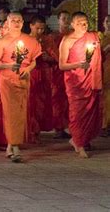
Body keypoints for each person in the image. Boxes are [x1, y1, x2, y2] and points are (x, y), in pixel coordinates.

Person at [0, 12, 41, 163]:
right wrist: (9, 65)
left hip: (23, 79)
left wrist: (28, 69)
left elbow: (33, 61)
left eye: (19, 20)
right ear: (8, 22)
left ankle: (10, 145)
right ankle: (15, 146)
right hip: (7, 79)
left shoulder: (29, 40)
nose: (17, 23)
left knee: (21, 112)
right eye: (13, 20)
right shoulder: (2, 42)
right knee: (10, 112)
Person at [59, 12, 102, 158]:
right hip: (76, 82)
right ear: (72, 24)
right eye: (79, 23)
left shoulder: (92, 37)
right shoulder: (67, 40)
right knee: (77, 113)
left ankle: (79, 141)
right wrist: (79, 64)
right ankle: (79, 142)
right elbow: (62, 65)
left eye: (85, 23)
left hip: (90, 80)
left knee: (90, 112)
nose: (83, 26)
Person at [28, 15, 55, 143]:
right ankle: (30, 131)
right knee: (30, 104)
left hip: (44, 74)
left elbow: (56, 58)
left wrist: (47, 58)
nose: (40, 31)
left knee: (41, 104)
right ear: (31, 26)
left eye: (42, 29)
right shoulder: (25, 40)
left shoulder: (48, 40)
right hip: (30, 73)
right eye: (37, 28)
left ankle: (37, 131)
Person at [51, 11, 71, 139]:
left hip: (71, 70)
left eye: (68, 19)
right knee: (57, 98)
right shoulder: (53, 37)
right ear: (58, 20)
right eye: (63, 18)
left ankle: (68, 126)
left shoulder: (73, 36)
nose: (66, 21)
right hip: (56, 70)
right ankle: (58, 127)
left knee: (68, 99)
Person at [101, 15, 110, 136]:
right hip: (104, 68)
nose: (109, 24)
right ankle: (105, 125)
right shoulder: (99, 37)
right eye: (107, 21)